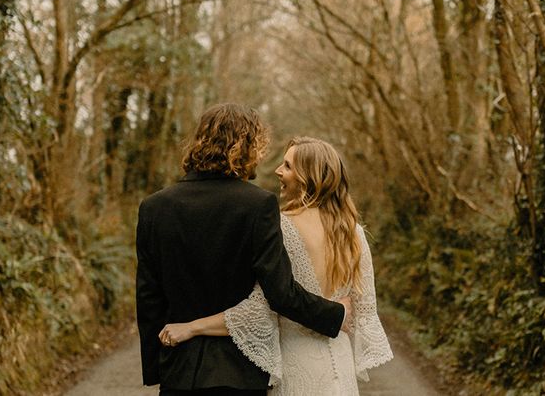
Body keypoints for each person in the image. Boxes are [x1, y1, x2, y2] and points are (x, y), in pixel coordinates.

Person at [136, 105, 350, 396]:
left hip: (178, 372)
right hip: (240, 373)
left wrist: (156, 367)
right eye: (259, 146)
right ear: (245, 146)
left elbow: (149, 296)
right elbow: (281, 293)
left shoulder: (154, 208)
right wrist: (335, 315)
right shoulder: (257, 205)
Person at [158, 136, 393, 395]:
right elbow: (363, 311)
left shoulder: (280, 228)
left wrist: (191, 327)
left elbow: (260, 310)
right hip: (341, 371)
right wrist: (338, 312)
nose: (278, 171)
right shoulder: (354, 233)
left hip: (296, 368)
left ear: (308, 176)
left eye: (288, 166)